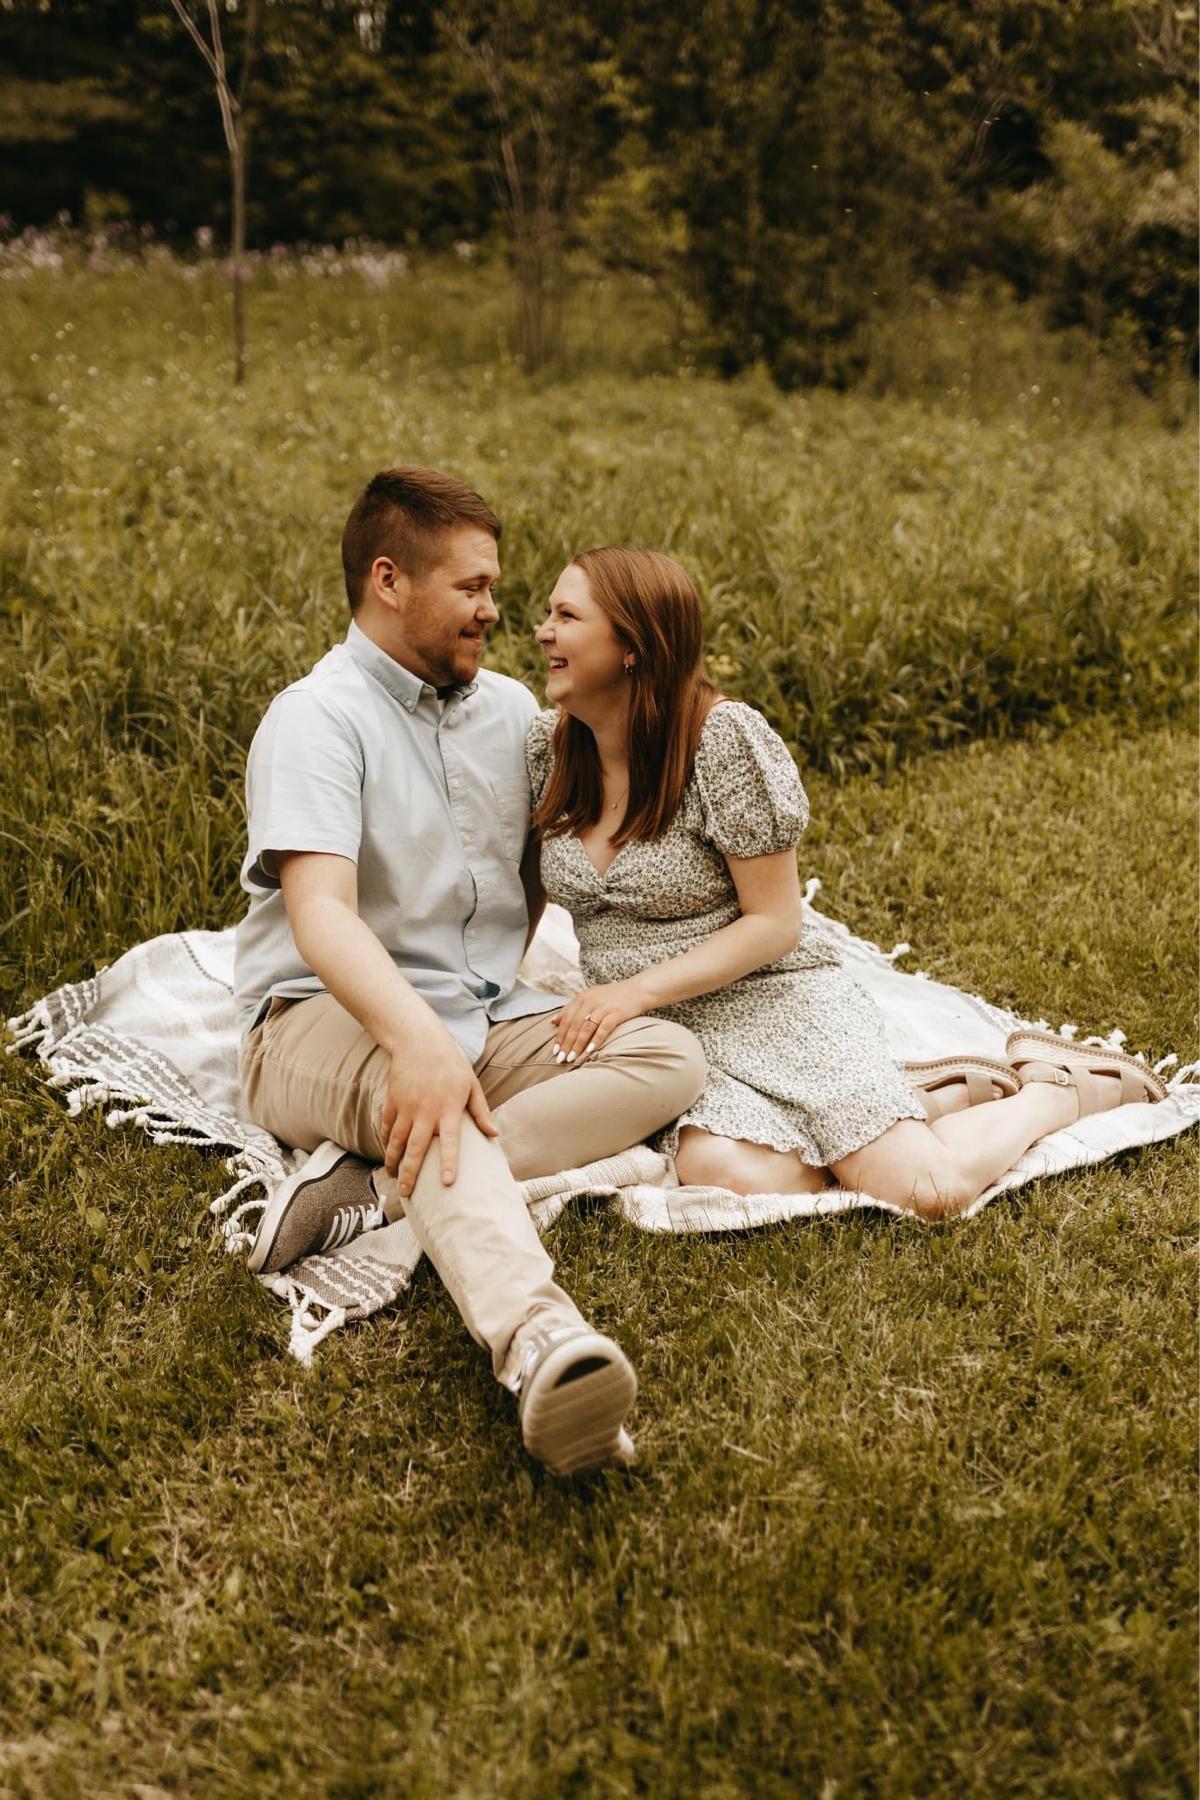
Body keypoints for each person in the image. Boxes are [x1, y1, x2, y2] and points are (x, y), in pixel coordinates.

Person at [232, 473, 707, 1476]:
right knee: (440, 1100)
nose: (497, 610)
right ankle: (537, 1342)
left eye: (496, 586)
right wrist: (417, 1043)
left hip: (487, 1010)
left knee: (666, 1057)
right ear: (389, 581)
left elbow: (540, 868)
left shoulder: (510, 713)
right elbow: (321, 915)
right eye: (472, 587)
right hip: (319, 1020)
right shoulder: (315, 719)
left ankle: (378, 1189)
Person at [528, 547, 1166, 1217]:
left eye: (566, 616)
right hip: (661, 1032)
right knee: (721, 1170)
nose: (543, 631)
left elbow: (775, 922)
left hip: (764, 997)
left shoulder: (721, 741)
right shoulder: (548, 750)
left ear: (634, 646)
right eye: (548, 614)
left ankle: (1058, 1087)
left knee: (929, 1192)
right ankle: (914, 1102)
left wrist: (633, 991)